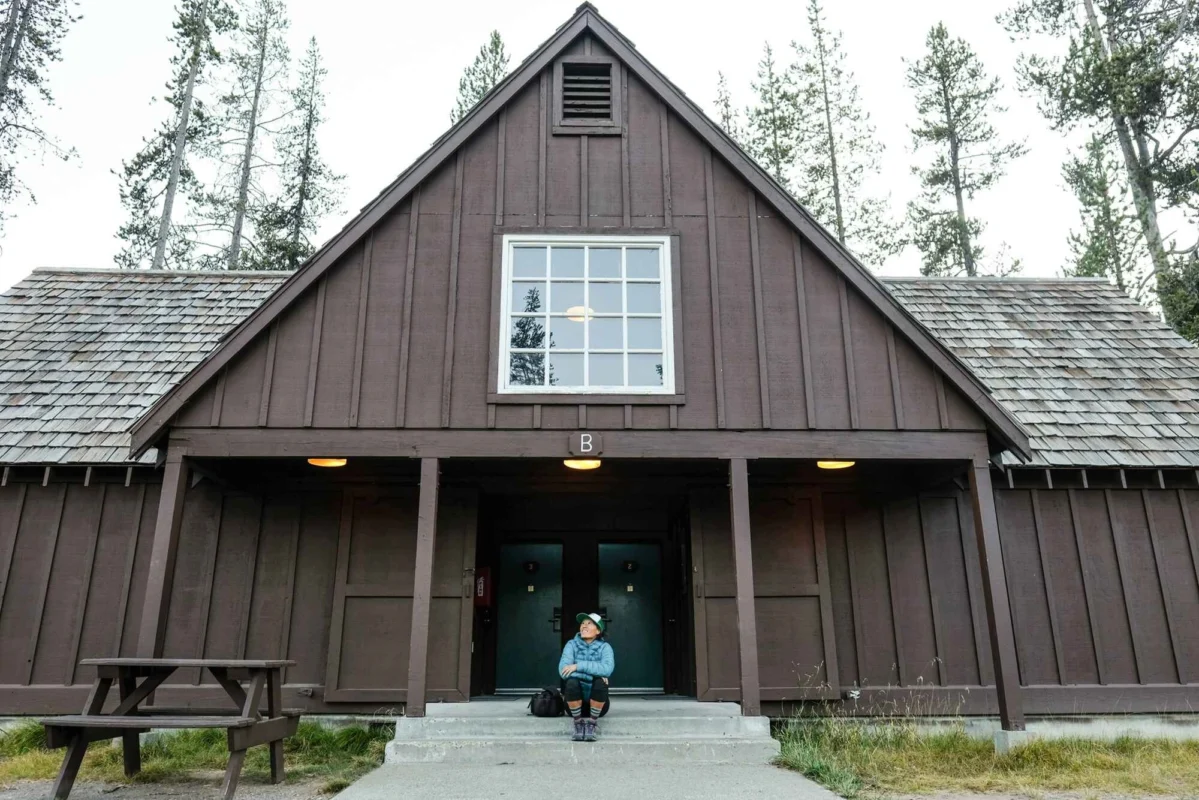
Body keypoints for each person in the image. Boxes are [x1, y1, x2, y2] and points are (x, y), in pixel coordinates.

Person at [558, 612, 614, 742]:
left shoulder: (605, 647)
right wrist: (596, 673)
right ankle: (578, 724)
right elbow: (563, 671)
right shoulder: (571, 644)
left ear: (598, 630)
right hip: (573, 706)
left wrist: (577, 666)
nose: (584, 626)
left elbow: (607, 669)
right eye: (582, 623)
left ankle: (591, 725)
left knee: (601, 682)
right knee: (572, 682)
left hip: (599, 706)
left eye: (589, 623)